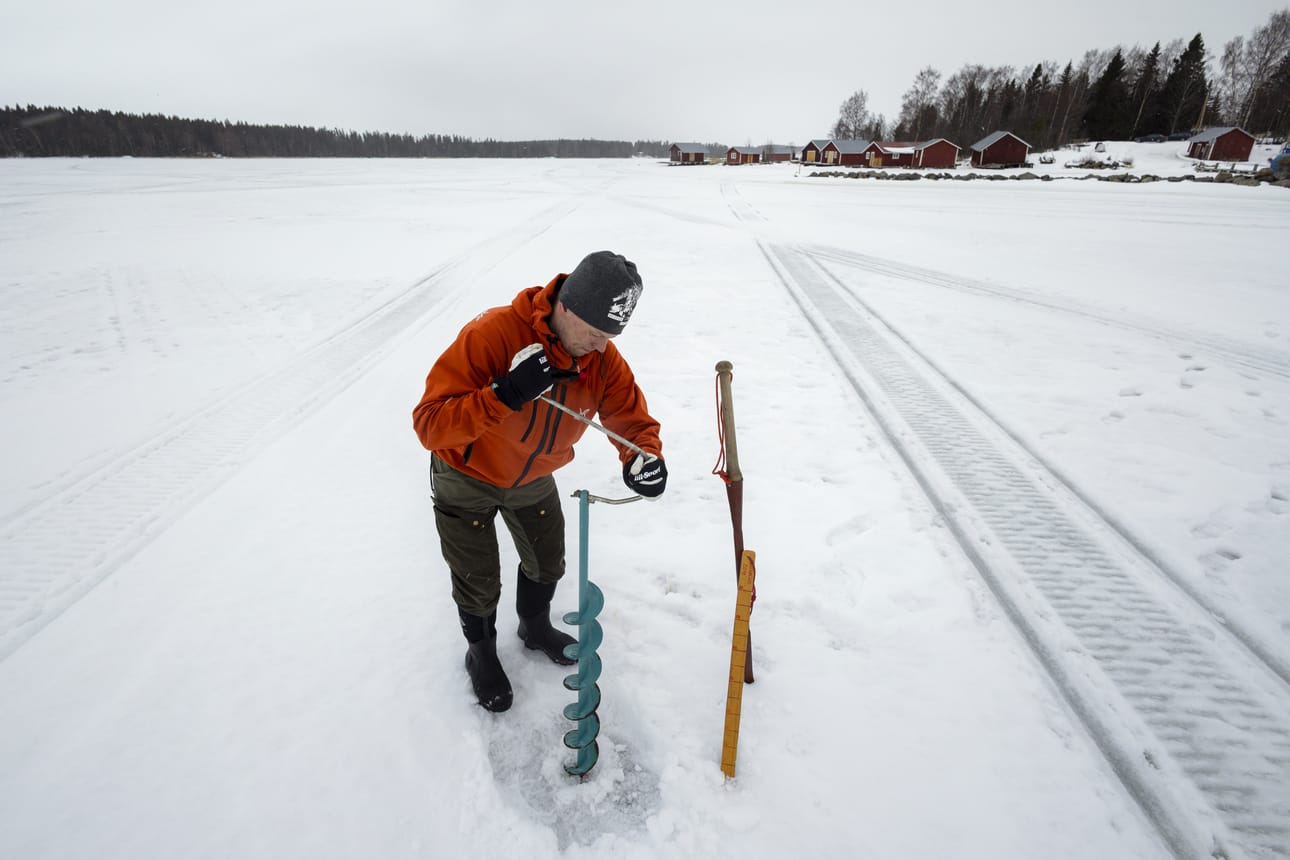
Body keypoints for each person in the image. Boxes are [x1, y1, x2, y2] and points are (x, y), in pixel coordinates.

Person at [412, 251, 667, 713]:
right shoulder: (492, 335)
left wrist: (642, 456)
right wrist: (505, 394)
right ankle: (481, 654)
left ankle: (534, 626)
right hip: (466, 474)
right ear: (565, 306)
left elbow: (630, 418)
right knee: (477, 579)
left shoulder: (601, 359)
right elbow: (430, 425)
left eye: (610, 337)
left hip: (532, 476)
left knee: (547, 561)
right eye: (594, 333)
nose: (600, 348)